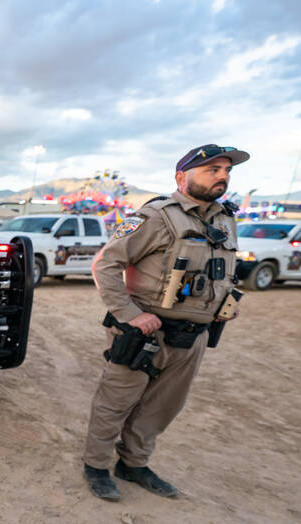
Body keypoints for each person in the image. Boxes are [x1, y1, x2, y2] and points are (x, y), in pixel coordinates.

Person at [82, 144, 246, 501]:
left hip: (194, 336)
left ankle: (134, 464)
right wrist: (129, 315)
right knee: (116, 401)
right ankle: (96, 466)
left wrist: (225, 302)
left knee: (162, 406)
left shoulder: (225, 219)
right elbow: (105, 265)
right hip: (145, 334)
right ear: (181, 177)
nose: (222, 176)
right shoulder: (155, 216)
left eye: (226, 171)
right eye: (212, 169)